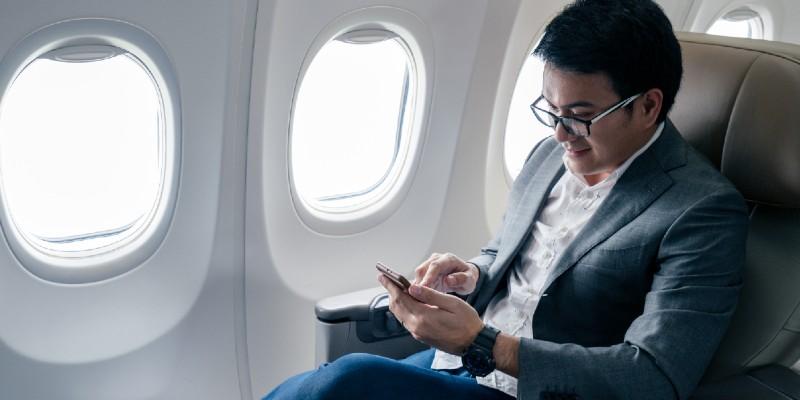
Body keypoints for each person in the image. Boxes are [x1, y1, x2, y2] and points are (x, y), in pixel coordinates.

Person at [264, 0, 748, 398]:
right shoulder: (547, 156)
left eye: (580, 115)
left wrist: (484, 342)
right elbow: (512, 260)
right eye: (550, 110)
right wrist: (471, 275)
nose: (560, 133)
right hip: (456, 366)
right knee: (319, 383)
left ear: (647, 105)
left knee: (346, 383)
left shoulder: (701, 211)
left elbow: (652, 377)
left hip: (532, 391)